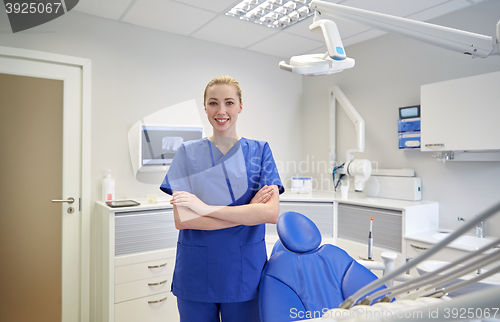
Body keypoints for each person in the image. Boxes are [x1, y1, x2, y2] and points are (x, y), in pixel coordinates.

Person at [160, 75, 285, 322]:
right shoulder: (187, 153)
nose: (221, 110)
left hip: (244, 273)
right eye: (213, 103)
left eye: (229, 102)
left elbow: (270, 214)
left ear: (240, 106)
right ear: (205, 107)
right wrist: (249, 212)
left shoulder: (260, 151)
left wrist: (203, 208)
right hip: (196, 271)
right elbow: (183, 219)